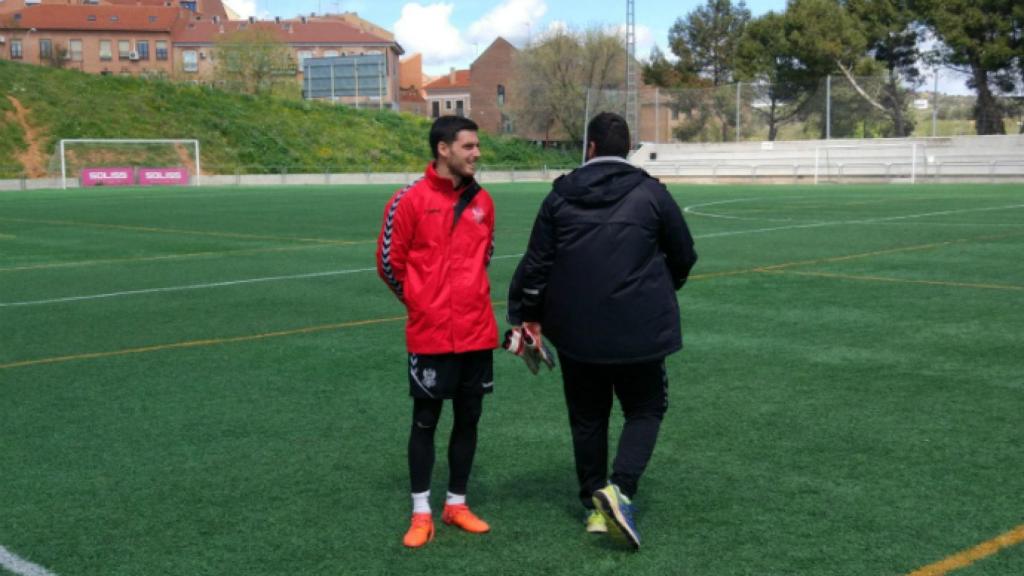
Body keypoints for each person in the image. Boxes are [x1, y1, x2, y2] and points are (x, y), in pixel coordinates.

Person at [509, 112, 697, 550]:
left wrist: (527, 315)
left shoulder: (559, 196)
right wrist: (660, 288)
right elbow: (683, 254)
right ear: (628, 149)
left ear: (589, 148)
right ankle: (619, 489)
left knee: (588, 416)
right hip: (640, 329)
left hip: (576, 332)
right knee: (646, 408)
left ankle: (595, 502)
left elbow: (536, 264)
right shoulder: (651, 192)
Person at [376, 116, 498, 549]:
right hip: (430, 334)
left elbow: (486, 254)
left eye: (477, 145)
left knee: (469, 419)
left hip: (477, 332)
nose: (476, 153)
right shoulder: (408, 200)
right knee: (425, 421)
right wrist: (422, 304)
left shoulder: (484, 200)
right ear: (443, 149)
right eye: (468, 146)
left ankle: (457, 504)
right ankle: (421, 510)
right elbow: (390, 263)